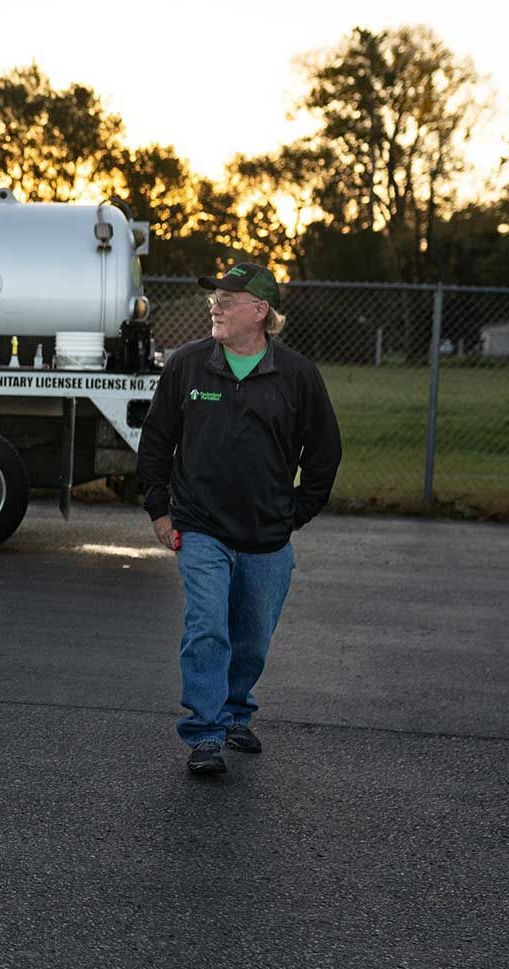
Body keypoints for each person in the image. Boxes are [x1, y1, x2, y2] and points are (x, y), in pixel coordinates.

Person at [136, 261, 342, 775]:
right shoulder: (188, 365)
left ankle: (233, 712)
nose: (216, 307)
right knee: (208, 626)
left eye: (228, 300)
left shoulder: (296, 375)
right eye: (215, 299)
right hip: (201, 526)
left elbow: (325, 451)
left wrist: (298, 511)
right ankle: (205, 732)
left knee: (251, 637)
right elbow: (157, 440)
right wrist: (159, 509)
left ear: (260, 310)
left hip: (268, 535)